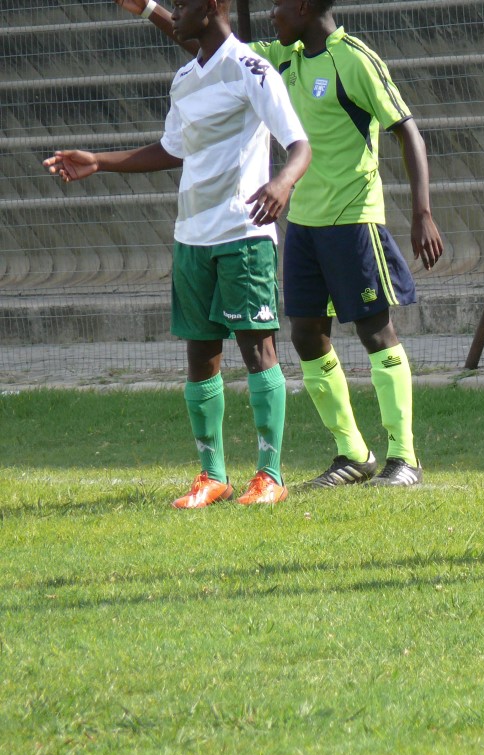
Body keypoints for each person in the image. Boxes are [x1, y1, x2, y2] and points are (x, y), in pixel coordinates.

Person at [117, 0, 444, 488]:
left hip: (354, 217)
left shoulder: (355, 59)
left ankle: (404, 456)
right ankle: (353, 453)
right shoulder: (281, 56)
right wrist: (147, 9)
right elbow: (211, 45)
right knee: (307, 336)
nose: (272, 13)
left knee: (376, 331)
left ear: (306, 6)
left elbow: (408, 132)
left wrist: (422, 213)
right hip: (303, 223)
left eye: (280, 5)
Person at [46, 0, 311, 508]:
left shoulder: (252, 69)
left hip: (242, 232)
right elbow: (173, 149)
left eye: (184, 4)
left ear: (211, 6)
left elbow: (299, 144)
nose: (176, 14)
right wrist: (99, 161)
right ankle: (213, 476)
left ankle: (270, 475)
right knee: (200, 354)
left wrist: (282, 182)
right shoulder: (186, 78)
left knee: (258, 350)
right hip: (191, 235)